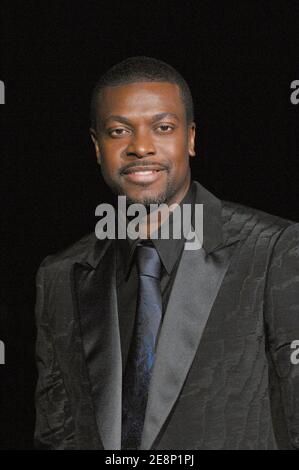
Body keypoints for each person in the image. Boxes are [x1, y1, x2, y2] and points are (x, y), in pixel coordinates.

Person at [34, 56, 299, 450]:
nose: (140, 147)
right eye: (119, 130)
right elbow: (56, 437)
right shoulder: (59, 275)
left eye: (162, 127)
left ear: (190, 139)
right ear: (96, 146)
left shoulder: (275, 250)